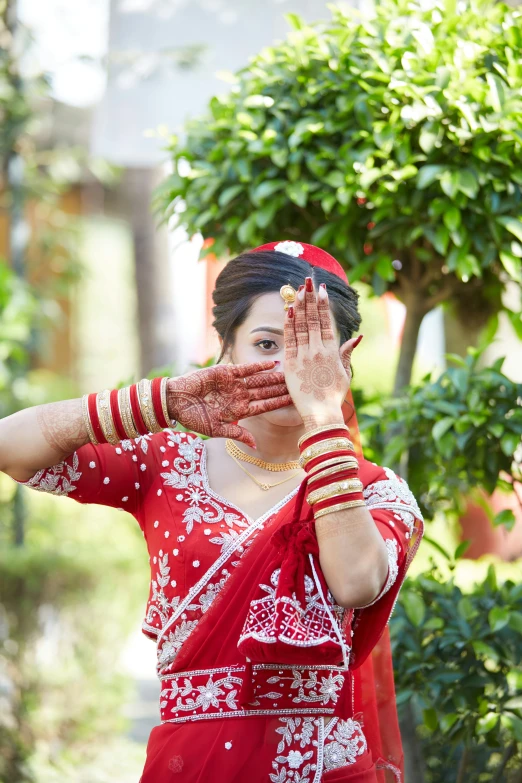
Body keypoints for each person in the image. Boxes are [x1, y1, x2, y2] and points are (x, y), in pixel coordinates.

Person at [0, 241, 424, 782]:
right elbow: (10, 448)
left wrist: (322, 418)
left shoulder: (380, 493)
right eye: (267, 343)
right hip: (192, 766)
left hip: (325, 770)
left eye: (310, 349)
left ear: (345, 361)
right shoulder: (166, 462)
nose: (289, 368)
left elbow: (357, 583)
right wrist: (160, 402)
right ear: (225, 346)